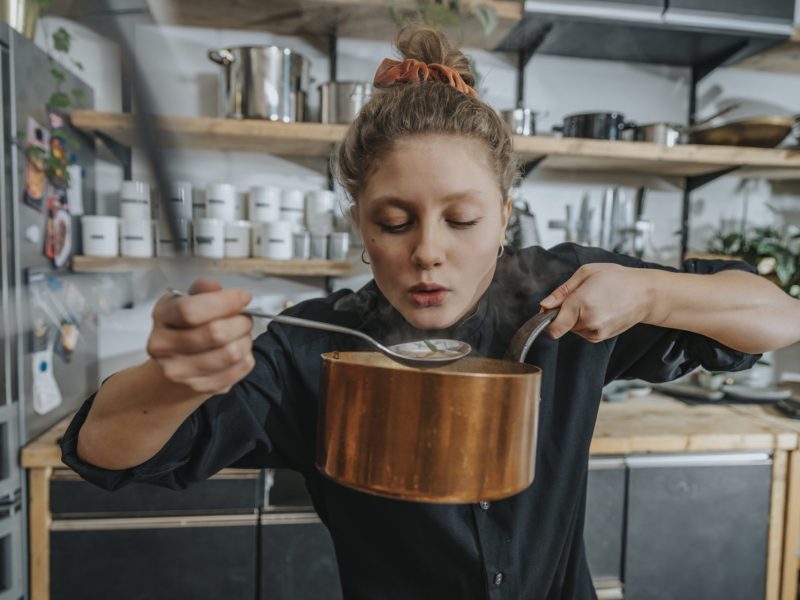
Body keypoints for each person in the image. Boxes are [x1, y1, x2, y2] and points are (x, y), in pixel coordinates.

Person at [62, 27, 800, 600]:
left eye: (462, 219)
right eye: (394, 222)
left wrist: (655, 293)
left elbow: (780, 318)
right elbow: (102, 451)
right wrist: (178, 378)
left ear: (504, 215)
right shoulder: (314, 347)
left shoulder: (562, 299)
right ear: (359, 224)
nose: (427, 253)